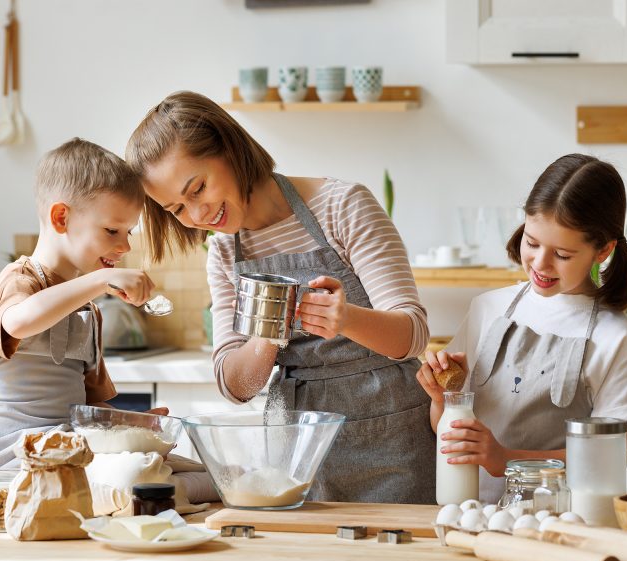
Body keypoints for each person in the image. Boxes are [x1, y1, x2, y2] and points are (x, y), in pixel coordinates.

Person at [126, 91, 435, 503]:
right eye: (177, 209)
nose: (198, 216)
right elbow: (235, 386)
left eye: (198, 188)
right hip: (296, 444)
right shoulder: (223, 252)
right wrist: (268, 331)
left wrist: (345, 319)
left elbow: (412, 335)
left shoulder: (342, 206)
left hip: (391, 434)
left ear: (231, 148)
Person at [416, 153, 627, 503]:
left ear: (602, 250)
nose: (540, 263)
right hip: (471, 514)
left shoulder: (615, 336)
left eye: (563, 254)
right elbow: (449, 433)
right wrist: (443, 402)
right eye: (532, 242)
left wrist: (506, 459)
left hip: (559, 523)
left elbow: (611, 456)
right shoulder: (487, 308)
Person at [0, 137, 158, 470]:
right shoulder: (19, 280)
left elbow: (86, 410)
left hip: (63, 454)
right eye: (112, 230)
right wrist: (98, 281)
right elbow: (19, 322)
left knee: (177, 468)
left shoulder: (87, 311)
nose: (125, 246)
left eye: (128, 232)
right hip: (6, 466)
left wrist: (133, 424)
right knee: (141, 475)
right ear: (61, 218)